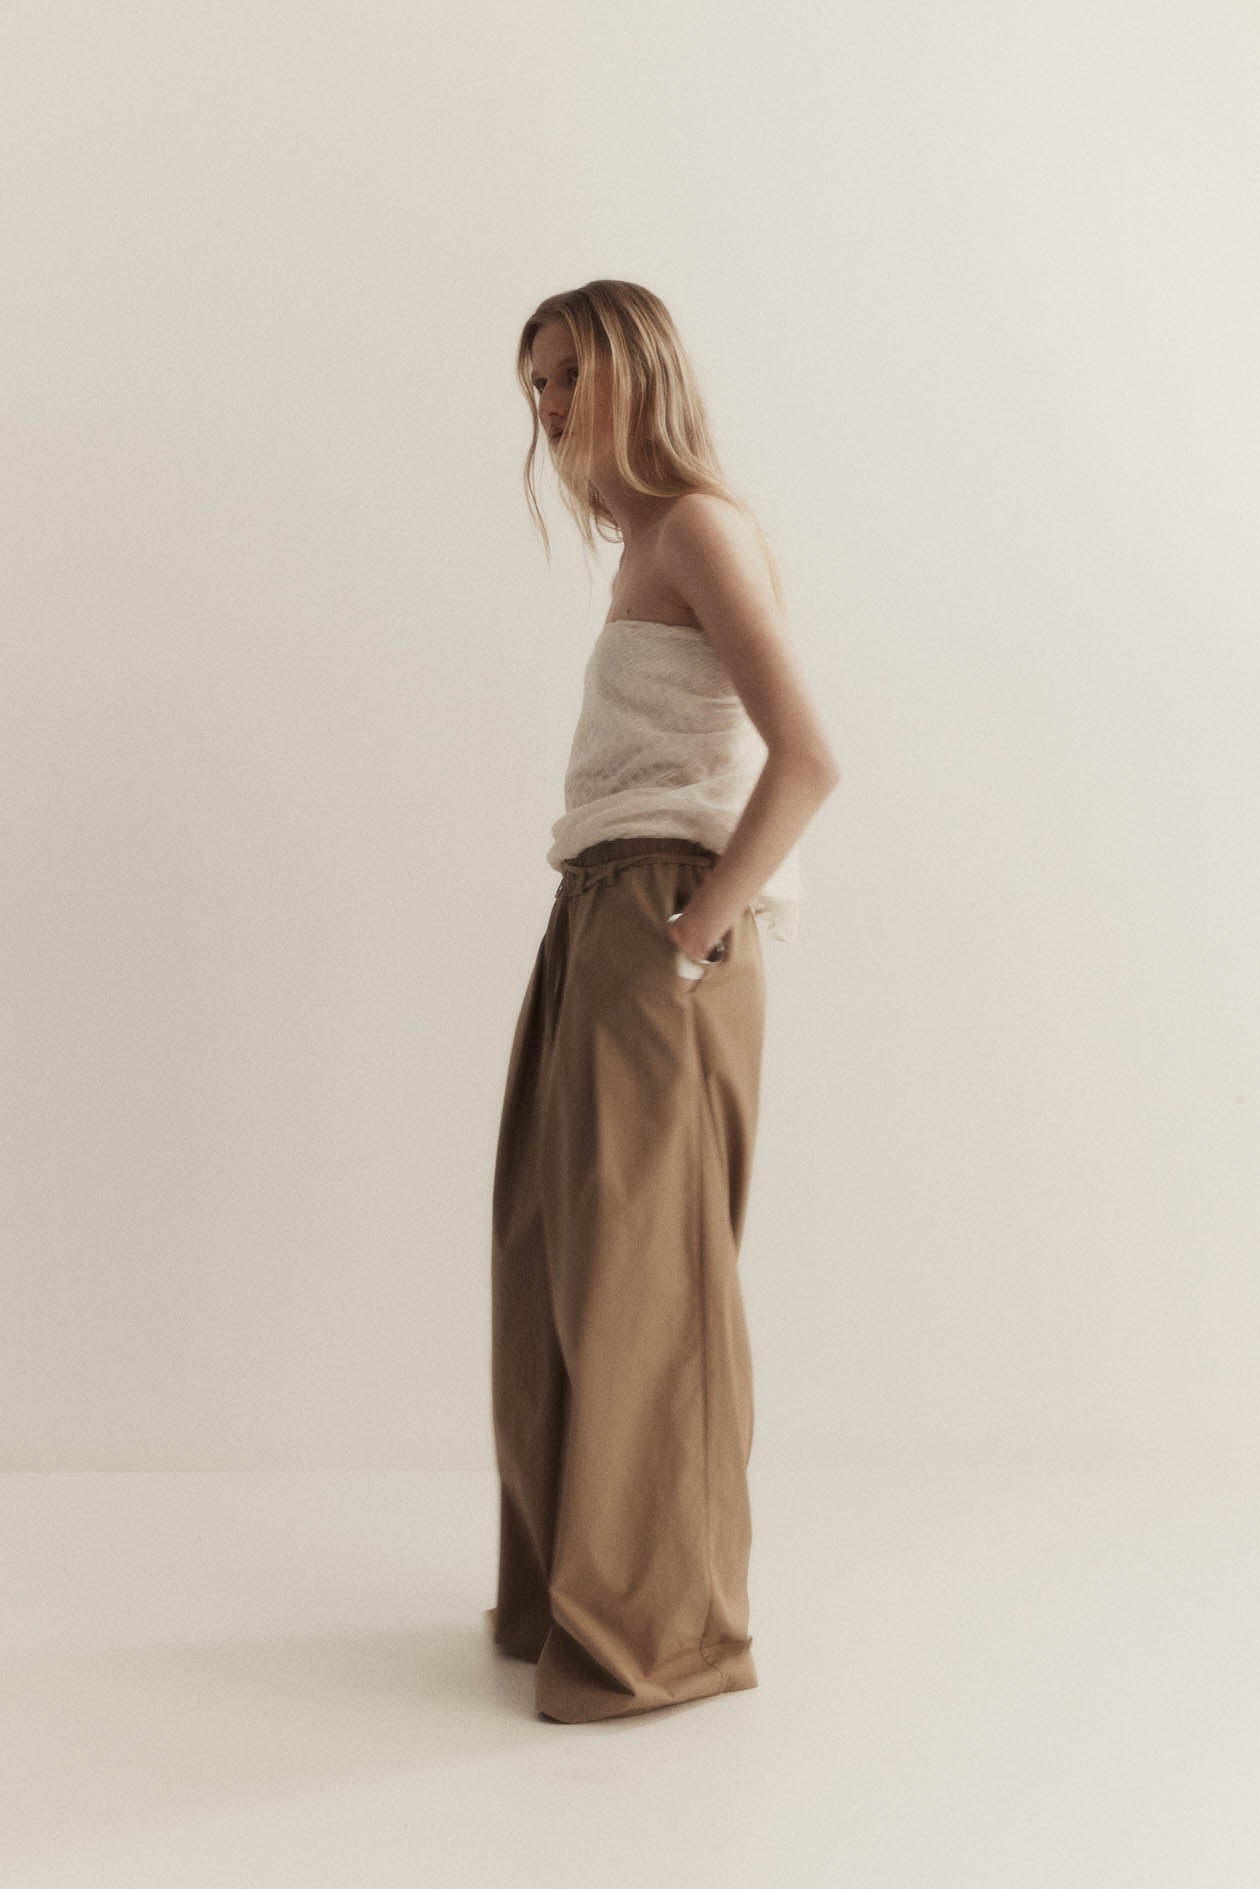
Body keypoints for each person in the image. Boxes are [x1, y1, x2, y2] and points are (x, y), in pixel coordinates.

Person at [485, 279, 842, 1722]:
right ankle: (572, 1597)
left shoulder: (697, 526)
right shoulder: (644, 544)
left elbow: (808, 756)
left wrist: (692, 934)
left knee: (649, 1283)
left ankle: (667, 1638)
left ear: (640, 370)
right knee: (553, 1263)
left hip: (659, 917)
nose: (549, 407)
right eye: (535, 384)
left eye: (571, 373)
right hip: (598, 912)